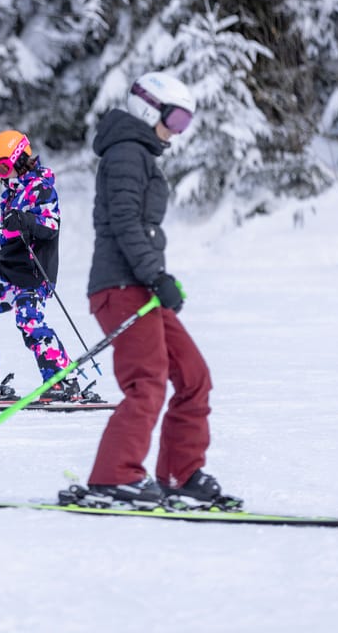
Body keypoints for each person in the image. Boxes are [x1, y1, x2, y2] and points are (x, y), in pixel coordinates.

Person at [75, 71, 240, 510]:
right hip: (121, 285)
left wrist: (157, 279)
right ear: (149, 108)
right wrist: (156, 276)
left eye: (186, 122)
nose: (178, 130)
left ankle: (179, 475)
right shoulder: (127, 152)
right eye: (176, 118)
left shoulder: (139, 153)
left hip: (141, 285)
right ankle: (113, 478)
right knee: (147, 383)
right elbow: (127, 224)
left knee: (193, 376)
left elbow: (138, 228)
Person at [0, 130, 98, 405]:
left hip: (35, 273)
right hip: (9, 273)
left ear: (19, 159)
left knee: (29, 322)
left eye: (2, 167)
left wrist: (27, 222)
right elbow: (8, 236)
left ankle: (62, 381)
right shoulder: (12, 193)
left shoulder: (42, 187)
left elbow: (50, 228)